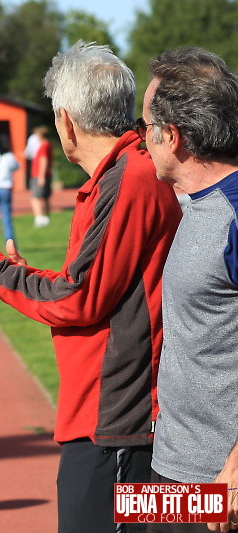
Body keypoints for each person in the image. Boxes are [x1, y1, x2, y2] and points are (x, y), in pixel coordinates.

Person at [0, 41, 181, 533]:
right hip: (115, 419)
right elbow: (93, 285)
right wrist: (16, 276)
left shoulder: (128, 179)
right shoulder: (121, 174)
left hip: (117, 425)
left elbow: (79, 300)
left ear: (65, 121)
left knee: (120, 521)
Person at [140, 47, 238, 533]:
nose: (142, 142)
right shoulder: (194, 204)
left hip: (221, 485)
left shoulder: (234, 216)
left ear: (172, 136)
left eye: (145, 129)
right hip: (172, 468)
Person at [29, 125, 52, 227]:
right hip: (43, 174)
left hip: (38, 174)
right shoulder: (47, 144)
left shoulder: (43, 145)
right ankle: (46, 217)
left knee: (35, 197)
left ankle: (39, 218)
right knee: (44, 197)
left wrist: (41, 176)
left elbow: (44, 160)